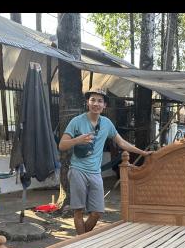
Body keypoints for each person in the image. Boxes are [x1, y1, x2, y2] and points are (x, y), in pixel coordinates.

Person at [59, 88, 152, 235]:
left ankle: (82, 239)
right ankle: (83, 243)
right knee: (78, 211)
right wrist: (77, 140)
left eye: (100, 101)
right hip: (77, 170)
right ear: (87, 102)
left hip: (95, 172)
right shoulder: (76, 121)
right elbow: (62, 145)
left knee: (97, 212)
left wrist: (143, 153)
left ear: (104, 105)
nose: (96, 104)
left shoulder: (107, 123)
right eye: (93, 100)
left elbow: (122, 143)